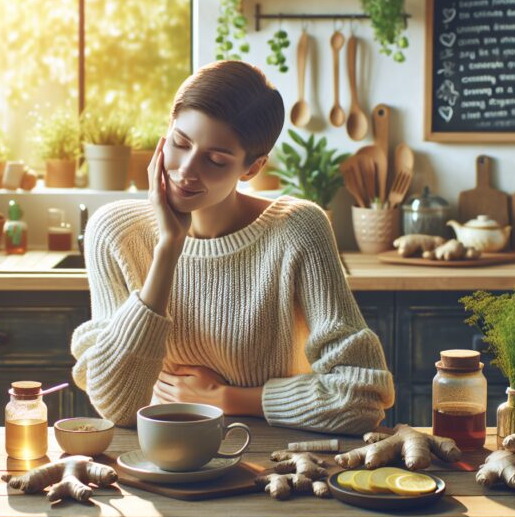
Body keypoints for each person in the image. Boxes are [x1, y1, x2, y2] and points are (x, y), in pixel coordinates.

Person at [70, 60, 395, 435]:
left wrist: (227, 399)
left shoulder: (297, 230)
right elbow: (117, 405)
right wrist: (169, 248)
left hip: (276, 461)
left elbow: (363, 397)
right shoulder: (114, 232)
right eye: (180, 143)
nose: (186, 170)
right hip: (162, 462)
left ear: (252, 168)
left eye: (215, 159)